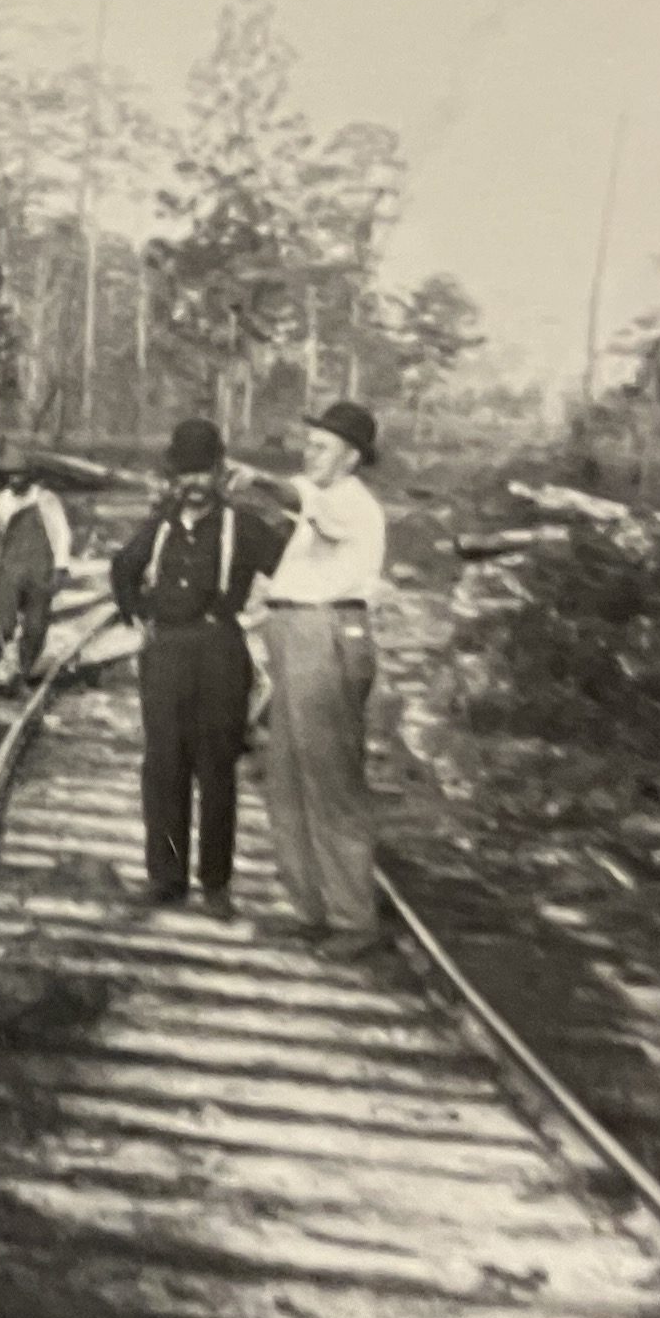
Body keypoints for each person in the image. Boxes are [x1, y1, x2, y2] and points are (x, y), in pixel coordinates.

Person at [108, 415, 285, 917]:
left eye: (202, 473)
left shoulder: (242, 526)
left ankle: (215, 883)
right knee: (163, 766)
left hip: (220, 654)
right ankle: (166, 878)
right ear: (173, 477)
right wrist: (138, 613)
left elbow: (292, 565)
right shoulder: (159, 527)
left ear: (220, 472)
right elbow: (123, 567)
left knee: (216, 770)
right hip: (165, 655)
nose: (192, 485)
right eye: (184, 475)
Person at [246, 401, 392, 955]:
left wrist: (258, 479)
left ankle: (354, 921)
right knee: (287, 777)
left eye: (323, 446)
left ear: (352, 458)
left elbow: (293, 495)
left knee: (331, 782)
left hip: (327, 638)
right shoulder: (322, 508)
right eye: (308, 444)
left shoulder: (350, 503)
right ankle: (311, 909)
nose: (310, 454)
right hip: (297, 635)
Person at [0, 456, 75, 682]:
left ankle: (25, 670)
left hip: (39, 571)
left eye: (20, 475)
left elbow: (61, 534)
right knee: (3, 624)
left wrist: (61, 567)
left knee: (36, 626)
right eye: (11, 475)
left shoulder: (46, 500)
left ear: (29, 477)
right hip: (10, 569)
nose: (15, 480)